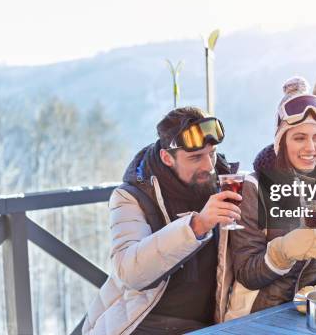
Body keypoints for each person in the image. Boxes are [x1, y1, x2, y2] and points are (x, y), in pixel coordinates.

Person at [82, 107, 241, 335]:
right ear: (167, 157)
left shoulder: (227, 184)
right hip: (143, 322)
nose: (209, 165)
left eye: (212, 153)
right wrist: (196, 226)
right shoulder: (132, 196)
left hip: (208, 325)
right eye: (196, 157)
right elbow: (130, 273)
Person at [226, 76, 316, 319]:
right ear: (282, 141)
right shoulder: (254, 188)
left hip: (310, 316)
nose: (311, 148)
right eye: (299, 137)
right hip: (257, 317)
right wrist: (281, 252)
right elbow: (246, 274)